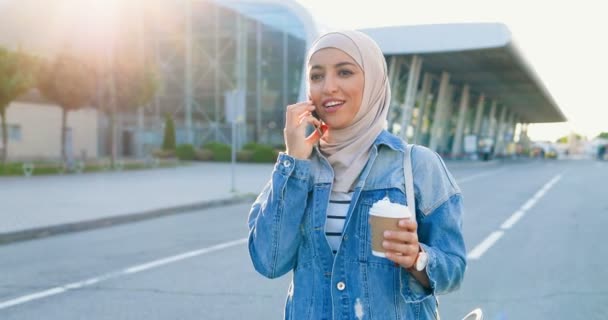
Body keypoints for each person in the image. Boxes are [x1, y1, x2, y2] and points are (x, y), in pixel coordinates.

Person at [247, 30, 466, 319]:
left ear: (373, 80)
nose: (328, 87)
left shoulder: (417, 164)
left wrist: (417, 258)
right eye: (316, 76)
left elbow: (454, 268)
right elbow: (269, 261)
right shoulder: (299, 169)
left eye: (345, 72)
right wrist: (293, 162)